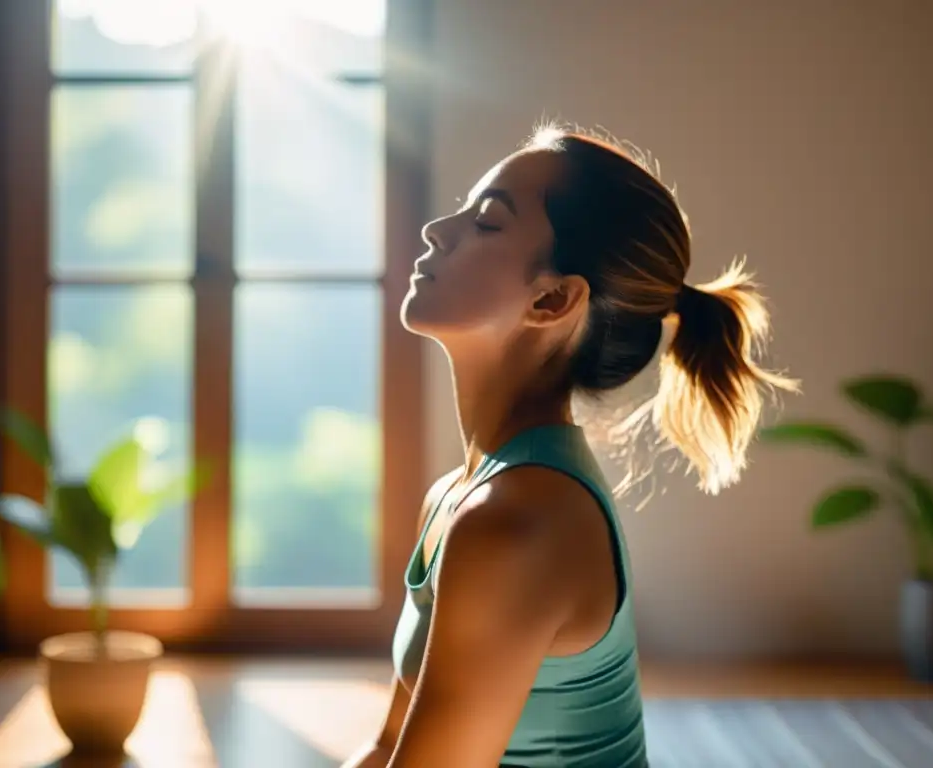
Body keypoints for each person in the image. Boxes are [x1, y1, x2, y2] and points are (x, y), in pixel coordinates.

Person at [342, 124, 798, 768]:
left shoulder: (516, 521)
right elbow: (388, 746)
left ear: (552, 298)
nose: (437, 230)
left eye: (487, 222)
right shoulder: (457, 497)